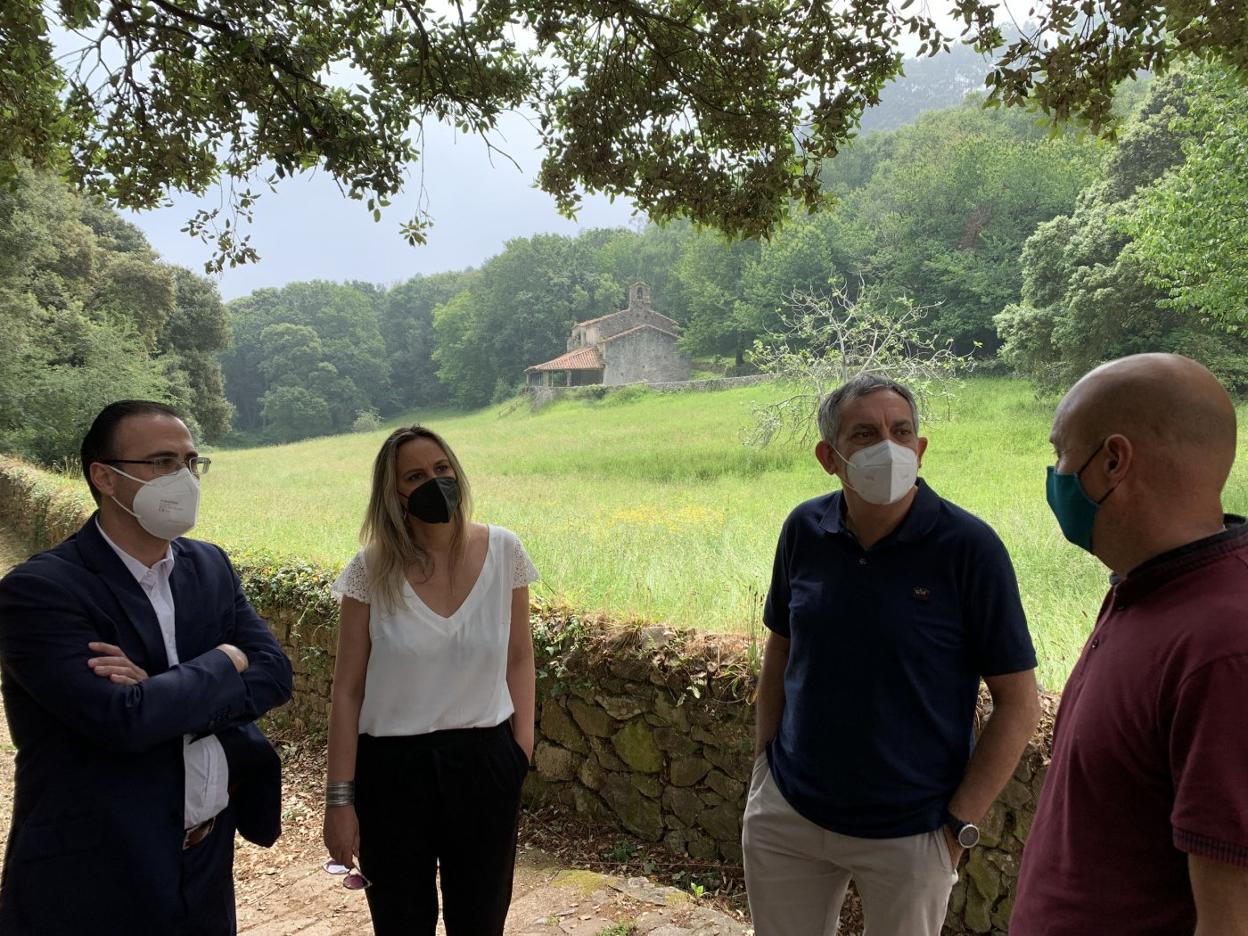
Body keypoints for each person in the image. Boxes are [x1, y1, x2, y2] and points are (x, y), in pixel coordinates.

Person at [742, 373, 1042, 935]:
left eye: (901, 431)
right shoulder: (804, 529)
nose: (888, 446)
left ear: (920, 450)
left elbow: (1019, 702)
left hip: (913, 830)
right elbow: (780, 651)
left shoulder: (968, 549)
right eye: (864, 433)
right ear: (829, 456)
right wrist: (765, 768)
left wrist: (956, 827)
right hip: (789, 813)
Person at [0, 400, 294, 935]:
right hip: (95, 874)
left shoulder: (209, 565)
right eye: (161, 462)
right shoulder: (41, 592)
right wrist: (226, 660)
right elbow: (122, 722)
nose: (181, 477)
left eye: (190, 461)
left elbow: (275, 673)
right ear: (104, 477)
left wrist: (160, 693)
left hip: (205, 859)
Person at [1012, 353, 1248, 934]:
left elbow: (1229, 919)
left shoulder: (1223, 648)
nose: (1056, 474)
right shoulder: (1146, 588)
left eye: (1061, 453)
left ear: (1113, 461)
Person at [322, 425, 538, 935]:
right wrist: (340, 801)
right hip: (392, 773)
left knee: (481, 921)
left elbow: (519, 657)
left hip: (484, 762)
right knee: (401, 924)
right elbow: (347, 690)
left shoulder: (504, 551)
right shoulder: (370, 571)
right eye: (415, 475)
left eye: (441, 469)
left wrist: (520, 748)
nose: (434, 482)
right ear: (393, 492)